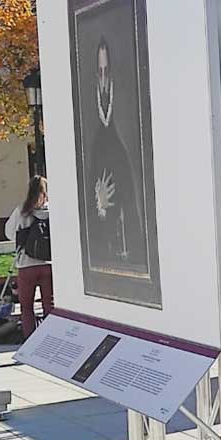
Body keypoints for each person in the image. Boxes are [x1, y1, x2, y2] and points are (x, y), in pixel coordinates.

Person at [86, 37, 148, 274]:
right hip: (102, 153)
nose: (103, 75)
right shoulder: (94, 97)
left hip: (117, 151)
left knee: (124, 197)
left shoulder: (120, 95)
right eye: (99, 70)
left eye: (106, 70)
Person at [4, 176, 53, 338]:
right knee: (49, 304)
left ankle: (30, 339)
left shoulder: (22, 211)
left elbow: (9, 233)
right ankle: (50, 337)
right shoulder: (52, 210)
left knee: (27, 306)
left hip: (26, 264)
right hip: (48, 264)